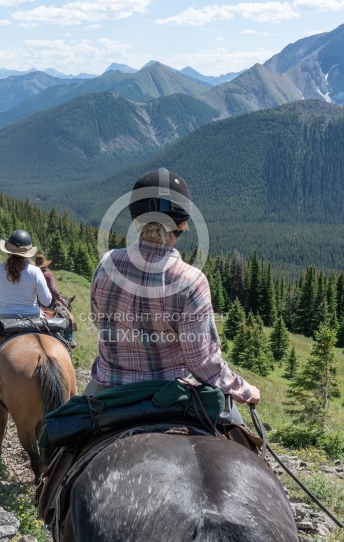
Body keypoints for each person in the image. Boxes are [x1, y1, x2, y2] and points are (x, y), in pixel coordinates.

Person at [86, 167, 260, 422]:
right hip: (173, 395)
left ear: (136, 222)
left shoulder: (107, 262)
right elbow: (202, 362)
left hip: (110, 390)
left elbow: (97, 319)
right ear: (181, 226)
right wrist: (244, 390)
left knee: (66, 441)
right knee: (238, 434)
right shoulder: (191, 280)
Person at [0, 229, 52, 411]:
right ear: (27, 253)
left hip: (3, 322)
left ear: (7, 251)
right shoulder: (35, 272)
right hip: (34, 320)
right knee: (61, 344)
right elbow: (46, 301)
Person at [34, 253, 76, 347]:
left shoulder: (32, 273)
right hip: (48, 303)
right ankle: (69, 340)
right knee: (68, 316)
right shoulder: (48, 274)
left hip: (34, 303)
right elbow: (53, 290)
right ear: (45, 264)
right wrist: (62, 300)